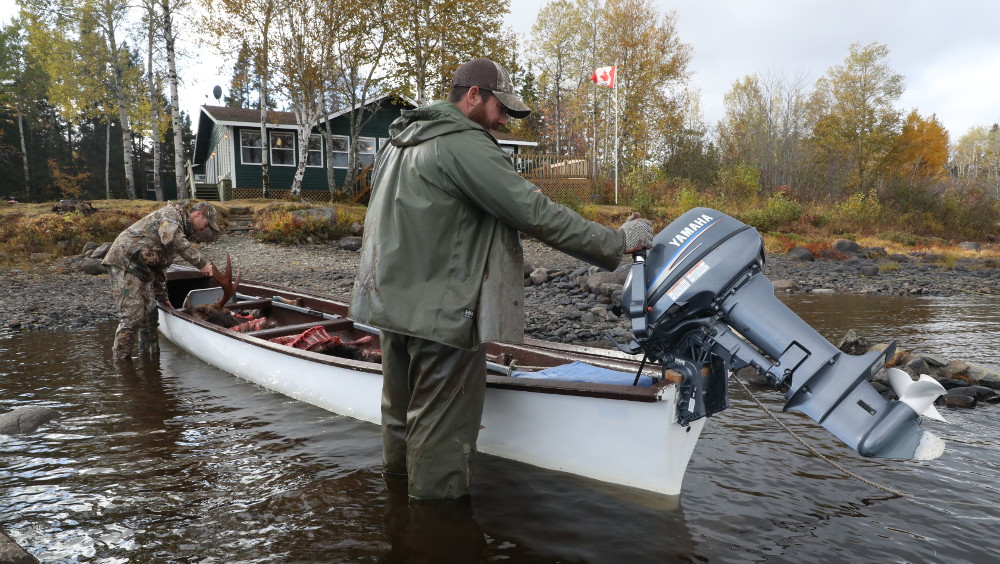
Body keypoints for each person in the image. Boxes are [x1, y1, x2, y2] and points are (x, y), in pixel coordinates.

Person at [349, 58, 653, 501]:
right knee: (440, 440)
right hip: (442, 316)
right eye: (500, 107)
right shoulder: (463, 143)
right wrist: (616, 242)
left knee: (399, 419)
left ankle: (399, 520)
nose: (504, 118)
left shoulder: (399, 141)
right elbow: (534, 212)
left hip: (389, 306)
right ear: (473, 95)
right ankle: (438, 532)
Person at [103, 201, 222, 361]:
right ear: (199, 214)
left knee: (151, 316)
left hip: (144, 270)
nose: (204, 229)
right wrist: (202, 263)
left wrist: (163, 297)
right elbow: (176, 241)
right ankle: (122, 363)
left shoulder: (179, 233)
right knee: (133, 316)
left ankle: (150, 362)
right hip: (124, 263)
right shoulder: (172, 215)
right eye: (206, 224)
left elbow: (160, 269)